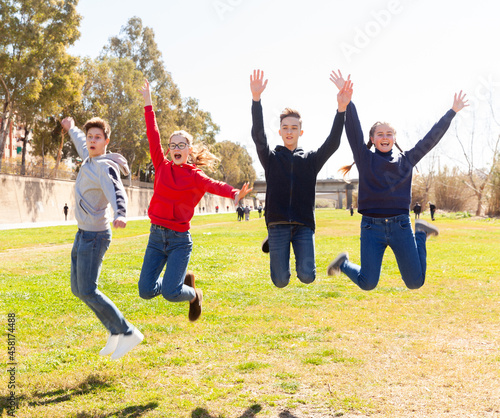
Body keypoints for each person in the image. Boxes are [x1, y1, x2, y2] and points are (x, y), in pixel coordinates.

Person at [327, 70, 468, 290]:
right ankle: (344, 264)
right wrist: (347, 104)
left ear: (394, 138)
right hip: (371, 228)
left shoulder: (407, 160)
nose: (385, 137)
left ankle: (420, 232)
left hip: (401, 226)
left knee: (415, 282)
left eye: (389, 134)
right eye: (380, 134)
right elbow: (353, 131)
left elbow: (431, 139)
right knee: (367, 282)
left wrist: (452, 112)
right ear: (372, 139)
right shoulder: (365, 159)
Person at [137, 79, 252, 321]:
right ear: (169, 150)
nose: (177, 148)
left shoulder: (195, 175)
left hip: (179, 240)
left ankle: (192, 293)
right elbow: (152, 133)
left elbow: (214, 185)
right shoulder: (161, 165)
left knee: (170, 293)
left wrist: (234, 193)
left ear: (189, 150)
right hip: (156, 237)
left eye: (182, 144)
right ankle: (181, 285)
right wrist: (148, 102)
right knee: (146, 291)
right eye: (173, 145)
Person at [250, 69, 349, 288]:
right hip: (277, 223)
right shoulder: (271, 158)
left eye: (294, 128)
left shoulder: (311, 160)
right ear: (280, 131)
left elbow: (332, 143)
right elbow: (258, 137)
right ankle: (274, 242)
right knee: (280, 281)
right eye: (285, 128)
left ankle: (282, 247)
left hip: (304, 224)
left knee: (307, 276)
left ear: (300, 132)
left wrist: (341, 110)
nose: (289, 132)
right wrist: (256, 100)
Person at [61, 116, 143, 360]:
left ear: (106, 141)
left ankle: (127, 332)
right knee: (79, 289)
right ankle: (115, 330)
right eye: (90, 137)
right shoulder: (89, 156)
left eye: (98, 137)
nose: (92, 140)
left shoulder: (104, 167)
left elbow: (117, 190)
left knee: (87, 289)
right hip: (82, 233)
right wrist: (72, 128)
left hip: (95, 236)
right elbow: (78, 141)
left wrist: (121, 213)